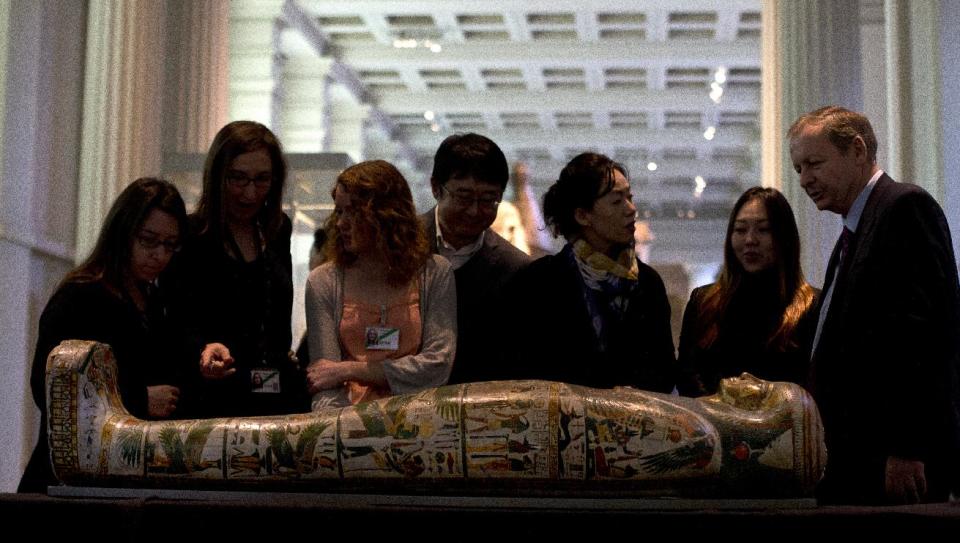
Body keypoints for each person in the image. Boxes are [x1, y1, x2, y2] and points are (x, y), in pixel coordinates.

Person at [789, 105, 960, 504]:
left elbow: (924, 337)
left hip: (891, 461)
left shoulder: (903, 208)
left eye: (814, 163)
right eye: (799, 169)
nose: (805, 179)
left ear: (858, 150)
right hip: (857, 458)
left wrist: (906, 447)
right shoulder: (858, 226)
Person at [18, 178, 189, 492]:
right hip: (70, 481)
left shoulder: (153, 301)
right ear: (123, 233)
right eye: (149, 240)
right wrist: (139, 399)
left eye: (169, 245)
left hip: (120, 477)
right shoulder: (81, 295)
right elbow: (50, 388)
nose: (159, 255)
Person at [505, 153, 676, 392]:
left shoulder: (647, 282)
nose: (631, 209)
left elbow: (664, 372)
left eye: (630, 197)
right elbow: (524, 368)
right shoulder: (540, 281)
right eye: (617, 201)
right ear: (582, 215)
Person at [169, 120, 303, 417]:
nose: (250, 194)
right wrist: (201, 351)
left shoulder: (278, 230)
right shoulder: (191, 234)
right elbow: (175, 321)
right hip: (213, 396)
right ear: (217, 177)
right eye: (238, 179)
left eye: (262, 180)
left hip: (275, 397)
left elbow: (278, 319)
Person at [306, 160, 457, 409]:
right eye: (339, 211)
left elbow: (436, 367)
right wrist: (346, 434)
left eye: (353, 212)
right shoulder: (323, 281)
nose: (341, 223)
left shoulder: (434, 273)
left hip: (419, 422)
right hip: (346, 424)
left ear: (386, 216)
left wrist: (349, 370)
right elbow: (323, 379)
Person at [677, 187, 818, 396]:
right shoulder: (704, 301)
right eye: (740, 230)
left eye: (763, 230)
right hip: (714, 424)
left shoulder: (811, 305)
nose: (750, 240)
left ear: (784, 237)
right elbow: (687, 375)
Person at [419, 133, 530, 384]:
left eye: (488, 200)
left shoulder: (517, 270)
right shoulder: (395, 249)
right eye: (464, 197)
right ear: (436, 188)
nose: (474, 211)